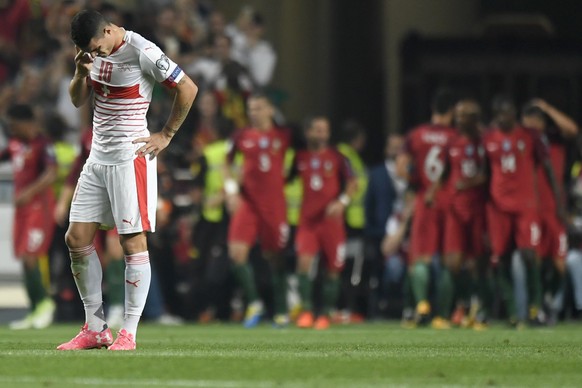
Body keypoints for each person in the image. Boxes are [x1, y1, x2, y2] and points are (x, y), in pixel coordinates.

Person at [57, 9, 197, 351]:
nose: (95, 53)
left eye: (96, 47)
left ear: (108, 30)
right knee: (76, 237)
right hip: (97, 157)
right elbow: (79, 101)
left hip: (128, 157)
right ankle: (95, 327)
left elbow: (188, 88)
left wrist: (166, 134)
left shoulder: (142, 51)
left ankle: (129, 333)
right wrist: (79, 73)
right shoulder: (91, 54)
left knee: (131, 241)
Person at [483, 95, 564, 327]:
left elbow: (547, 168)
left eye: (508, 113)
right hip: (498, 208)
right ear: (496, 116)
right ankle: (511, 313)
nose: (504, 118)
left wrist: (558, 202)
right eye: (500, 114)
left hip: (526, 206)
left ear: (514, 114)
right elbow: (486, 172)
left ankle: (535, 308)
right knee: (502, 259)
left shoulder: (529, 136)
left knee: (530, 256)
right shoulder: (488, 138)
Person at [224, 93, 290, 328]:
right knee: (236, 253)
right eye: (251, 108)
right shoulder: (241, 135)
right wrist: (231, 190)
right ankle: (254, 303)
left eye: (259, 108)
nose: (254, 112)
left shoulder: (284, 135)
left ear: (271, 110)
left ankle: (282, 310)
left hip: (274, 205)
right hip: (248, 203)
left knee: (275, 257)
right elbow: (226, 161)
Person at [291, 116, 357, 330]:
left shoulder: (338, 158)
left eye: (325, 131)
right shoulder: (299, 158)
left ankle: (326, 313)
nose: (322, 134)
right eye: (318, 130)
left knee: (333, 269)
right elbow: (284, 180)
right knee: (304, 263)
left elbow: (353, 183)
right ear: (308, 133)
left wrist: (342, 202)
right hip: (308, 222)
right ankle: (307, 311)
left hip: (332, 223)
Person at [402, 88, 457, 326]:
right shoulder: (456, 137)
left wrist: (415, 183)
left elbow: (400, 167)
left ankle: (422, 306)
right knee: (447, 260)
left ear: (433, 109)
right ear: (452, 112)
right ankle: (442, 315)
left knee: (420, 259)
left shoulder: (417, 135)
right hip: (449, 203)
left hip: (425, 200)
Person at [521, 99, 578, 323]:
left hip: (554, 209)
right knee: (534, 259)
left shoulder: (555, 139)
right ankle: (536, 308)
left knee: (560, 264)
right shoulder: (522, 141)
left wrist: (546, 107)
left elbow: (572, 130)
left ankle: (550, 302)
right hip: (531, 209)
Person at [1, 104, 57, 330]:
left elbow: (52, 173)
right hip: (22, 211)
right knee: (23, 259)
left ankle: (45, 304)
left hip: (38, 208)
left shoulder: (43, 144)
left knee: (29, 256)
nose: (12, 129)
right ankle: (34, 309)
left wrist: (29, 192)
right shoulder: (15, 144)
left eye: (15, 125)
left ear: (27, 123)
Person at [439, 100, 489, 329]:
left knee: (477, 263)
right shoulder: (452, 142)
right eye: (457, 115)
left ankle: (479, 309)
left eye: (464, 115)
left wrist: (468, 184)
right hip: (455, 209)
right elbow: (445, 172)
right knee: (453, 263)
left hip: (478, 208)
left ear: (474, 118)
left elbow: (489, 174)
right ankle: (460, 306)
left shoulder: (485, 141)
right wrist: (433, 192)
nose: (458, 119)